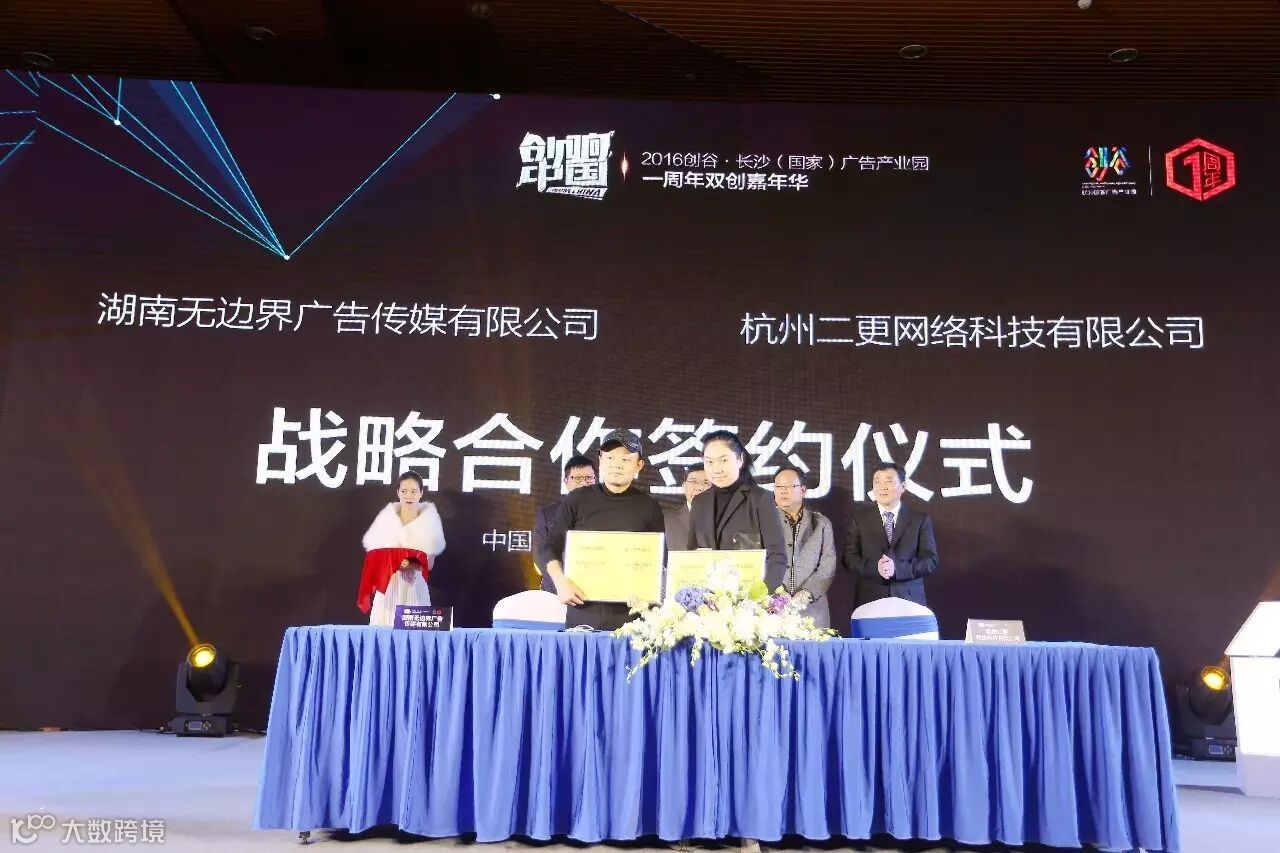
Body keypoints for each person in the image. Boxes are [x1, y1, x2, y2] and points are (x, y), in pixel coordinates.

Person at [539, 429, 665, 631]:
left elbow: (659, 560)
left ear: (639, 465)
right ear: (600, 460)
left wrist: (649, 591)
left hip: (633, 619)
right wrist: (561, 582)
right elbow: (549, 546)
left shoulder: (649, 507)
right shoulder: (577, 500)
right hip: (582, 611)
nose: (616, 464)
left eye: (625, 459)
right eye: (610, 458)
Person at [687, 430, 788, 590]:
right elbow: (691, 553)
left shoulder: (761, 499)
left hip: (749, 598)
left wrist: (760, 596)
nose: (716, 469)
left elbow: (777, 556)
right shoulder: (699, 502)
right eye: (709, 462)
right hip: (706, 599)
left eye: (724, 460)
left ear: (740, 459)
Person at [357, 470, 446, 626]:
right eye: (404, 491)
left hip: (413, 585)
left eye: (413, 491)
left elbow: (429, 564)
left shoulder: (429, 523)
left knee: (414, 635)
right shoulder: (385, 520)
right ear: (398, 492)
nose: (408, 496)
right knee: (384, 628)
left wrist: (412, 564)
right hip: (388, 585)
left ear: (421, 493)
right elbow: (374, 557)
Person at [843, 462, 939, 606]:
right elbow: (849, 558)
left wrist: (897, 569)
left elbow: (930, 561)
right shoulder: (859, 518)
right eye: (877, 482)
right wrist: (875, 568)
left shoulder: (919, 519)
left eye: (889, 481)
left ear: (903, 486)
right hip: (870, 600)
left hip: (909, 600)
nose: (882, 487)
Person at [772, 465, 837, 629]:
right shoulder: (763, 522)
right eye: (778, 486)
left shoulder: (821, 523)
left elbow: (827, 565)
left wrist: (807, 592)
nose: (783, 491)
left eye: (789, 486)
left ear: (803, 489)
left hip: (813, 611)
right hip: (772, 610)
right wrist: (778, 591)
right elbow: (758, 562)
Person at [532, 455, 598, 592]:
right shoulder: (547, 513)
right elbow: (540, 554)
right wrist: (561, 582)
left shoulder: (605, 513)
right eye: (577, 478)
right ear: (566, 481)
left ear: (596, 480)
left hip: (595, 589)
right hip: (556, 591)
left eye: (589, 478)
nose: (584, 483)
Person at [663, 463, 710, 552]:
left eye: (706, 483)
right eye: (693, 482)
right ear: (684, 486)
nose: (699, 487)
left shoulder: (725, 518)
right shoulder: (666, 519)